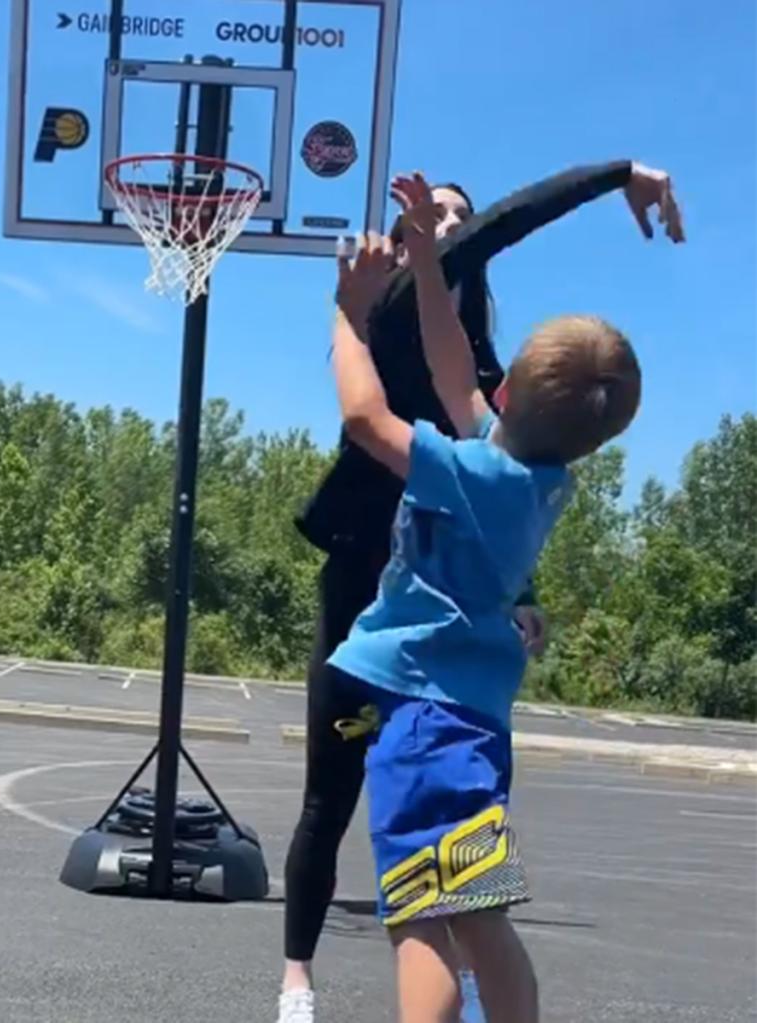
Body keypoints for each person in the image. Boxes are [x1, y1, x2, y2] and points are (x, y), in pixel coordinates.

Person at [277, 161, 685, 1023]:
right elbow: (451, 363)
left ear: (503, 399)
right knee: (482, 919)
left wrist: (347, 318)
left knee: (421, 921)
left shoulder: (463, 468)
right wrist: (428, 262)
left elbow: (364, 417)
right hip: (474, 727)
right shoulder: (531, 480)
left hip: (423, 724)